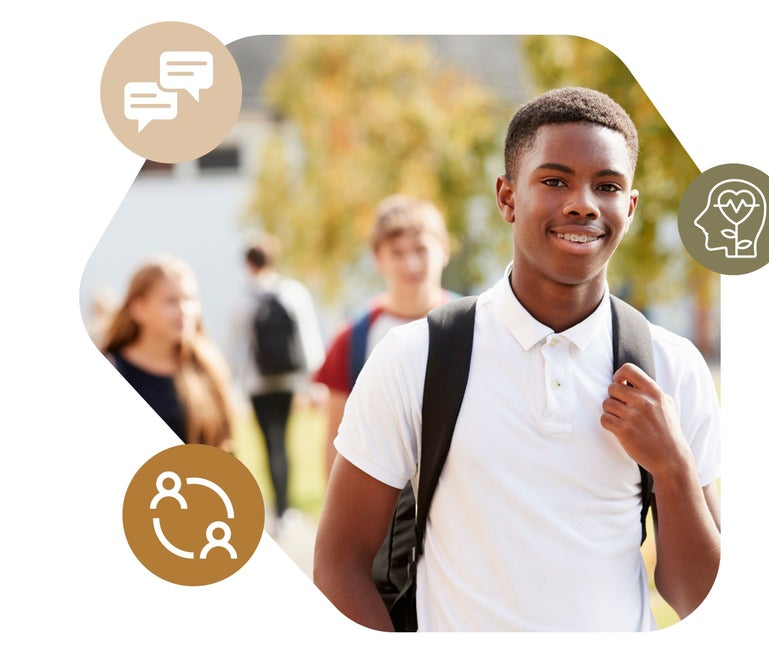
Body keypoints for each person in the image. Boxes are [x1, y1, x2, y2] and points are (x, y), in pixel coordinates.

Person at [313, 87, 721, 632]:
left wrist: (672, 467)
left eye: (607, 186)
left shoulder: (672, 368)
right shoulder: (415, 359)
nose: (583, 202)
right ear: (507, 197)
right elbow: (339, 564)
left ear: (630, 206)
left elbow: (699, 598)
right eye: (555, 181)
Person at [313, 194, 453, 479]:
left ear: (444, 250)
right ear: (378, 259)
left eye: (420, 249)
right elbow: (335, 440)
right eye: (397, 252)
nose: (411, 264)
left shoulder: (478, 326)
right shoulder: (352, 339)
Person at [228, 233, 325, 526]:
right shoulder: (293, 292)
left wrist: (233, 385)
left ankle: (279, 513)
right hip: (288, 380)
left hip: (258, 383)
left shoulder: (241, 299)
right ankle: (285, 509)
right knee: (285, 441)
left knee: (269, 443)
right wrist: (312, 380)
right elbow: (309, 340)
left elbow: (235, 347)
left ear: (248, 263)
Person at [100, 254, 235, 452]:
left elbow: (226, 449)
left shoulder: (207, 366)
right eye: (172, 301)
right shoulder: (112, 367)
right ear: (139, 308)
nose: (185, 311)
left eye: (190, 299)